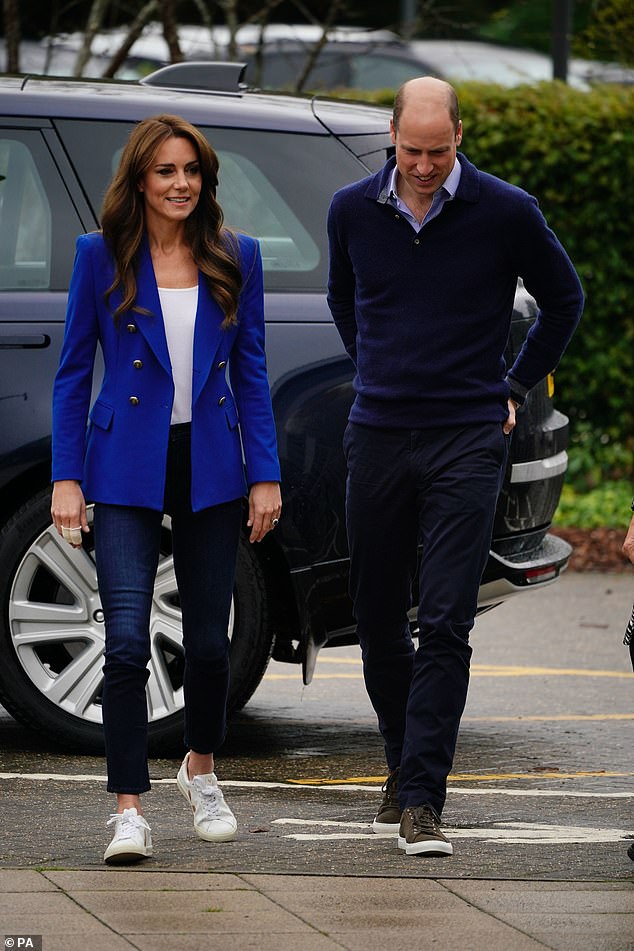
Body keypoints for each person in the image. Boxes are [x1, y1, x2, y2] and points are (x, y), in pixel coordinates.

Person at [327, 77, 584, 858]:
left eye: (439, 152)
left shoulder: (506, 210)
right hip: (376, 433)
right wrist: (376, 369)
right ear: (392, 140)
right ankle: (402, 763)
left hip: (468, 437)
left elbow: (564, 299)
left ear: (460, 138)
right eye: (412, 151)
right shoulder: (350, 211)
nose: (426, 166)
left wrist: (509, 386)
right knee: (375, 618)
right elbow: (346, 300)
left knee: (444, 619)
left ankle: (422, 799)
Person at [51, 114, 281, 864]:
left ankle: (201, 768)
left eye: (192, 171)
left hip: (212, 460)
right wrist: (67, 473)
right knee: (123, 642)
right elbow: (73, 373)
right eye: (165, 172)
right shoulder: (99, 256)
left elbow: (251, 372)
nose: (180, 183)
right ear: (140, 180)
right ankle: (127, 809)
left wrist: (265, 473)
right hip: (124, 461)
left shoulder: (236, 255)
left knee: (210, 647)